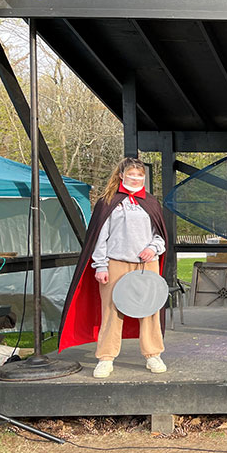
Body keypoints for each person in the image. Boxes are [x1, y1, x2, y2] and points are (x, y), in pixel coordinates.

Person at [58, 157, 168, 378]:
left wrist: (153, 248)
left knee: (149, 310)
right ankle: (106, 358)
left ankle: (153, 354)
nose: (136, 179)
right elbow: (100, 237)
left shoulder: (151, 202)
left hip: (147, 264)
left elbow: (160, 237)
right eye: (131, 175)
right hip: (115, 262)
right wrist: (100, 266)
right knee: (111, 310)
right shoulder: (108, 201)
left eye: (140, 175)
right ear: (121, 176)